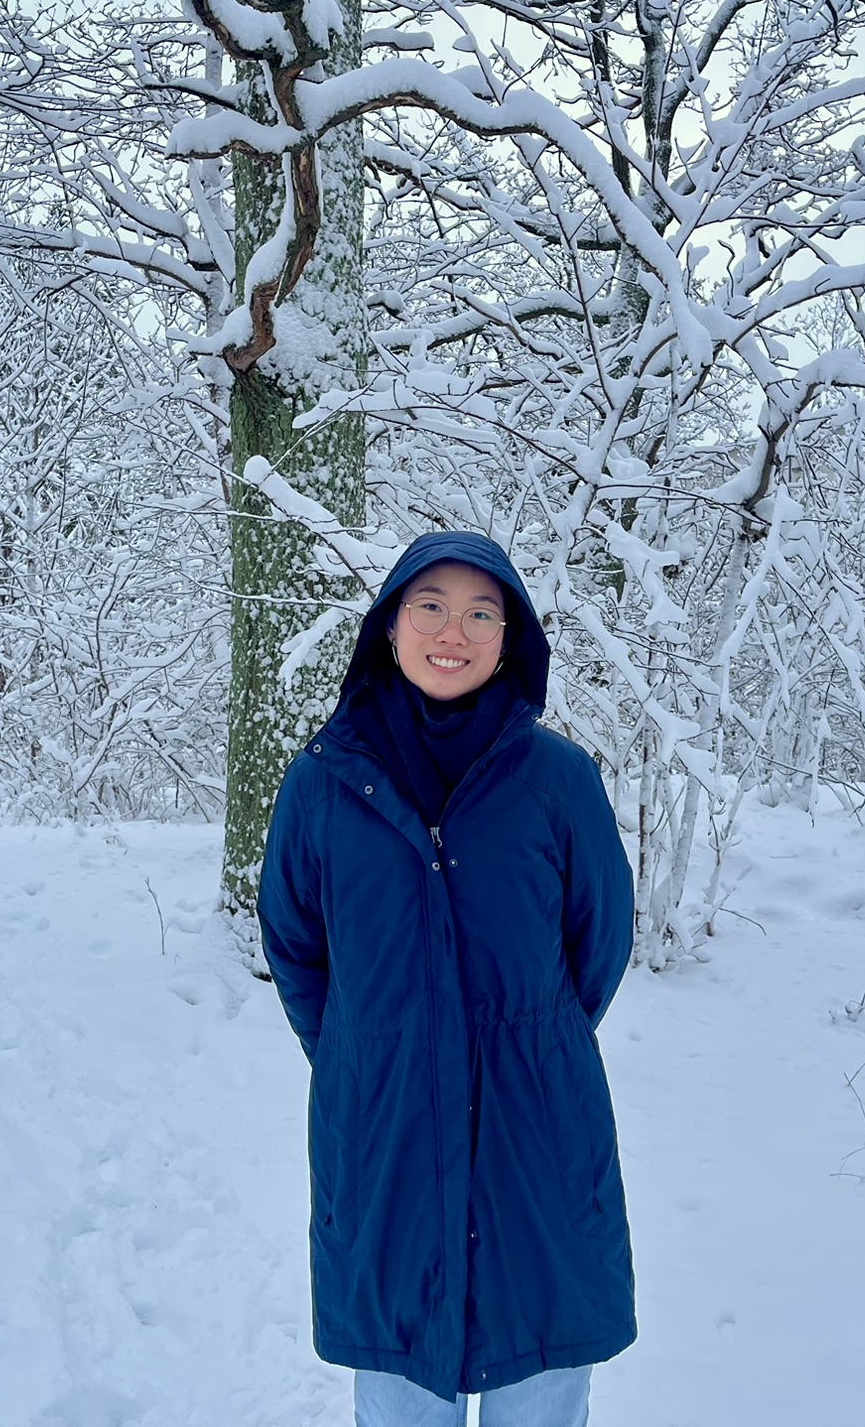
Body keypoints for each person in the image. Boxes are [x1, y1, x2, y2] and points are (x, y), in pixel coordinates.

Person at [258, 531, 637, 1427]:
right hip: (382, 1130)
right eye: (429, 606)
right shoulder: (322, 784)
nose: (451, 632)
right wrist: (371, 1045)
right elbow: (295, 942)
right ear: (389, 626)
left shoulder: (559, 780)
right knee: (398, 1391)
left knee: (539, 1377)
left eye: (479, 612)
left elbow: (600, 942)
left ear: (511, 638)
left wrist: (523, 1039)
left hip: (536, 1129)